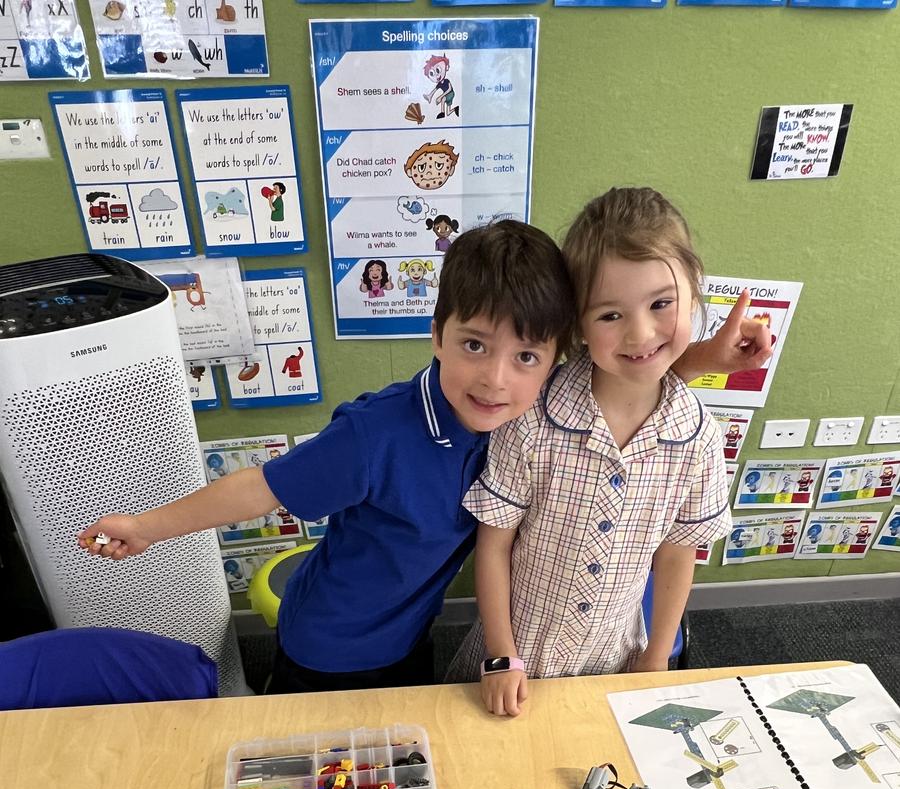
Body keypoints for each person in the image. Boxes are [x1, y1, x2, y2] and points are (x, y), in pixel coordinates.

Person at [78, 217, 769, 695]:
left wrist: (702, 359)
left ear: (555, 359)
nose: (495, 379)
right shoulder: (376, 435)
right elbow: (261, 488)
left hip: (413, 635)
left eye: (525, 357)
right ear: (437, 335)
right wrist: (147, 527)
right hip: (330, 646)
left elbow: (626, 380)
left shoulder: (530, 415)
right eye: (473, 345)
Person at [445, 189, 748, 716]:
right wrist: (501, 657)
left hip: (614, 660)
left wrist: (656, 657)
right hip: (513, 657)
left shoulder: (698, 437)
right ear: (578, 325)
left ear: (694, 289)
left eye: (661, 304)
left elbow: (678, 553)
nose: (640, 333)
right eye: (610, 315)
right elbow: (493, 545)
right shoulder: (534, 418)